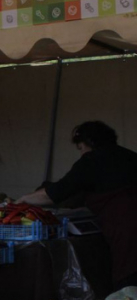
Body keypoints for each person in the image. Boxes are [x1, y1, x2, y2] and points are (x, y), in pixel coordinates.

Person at [17, 121, 137, 289]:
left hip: (128, 230)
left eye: (80, 148)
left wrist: (23, 199)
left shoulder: (92, 161)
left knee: (129, 281)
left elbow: (55, 194)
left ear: (90, 143)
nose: (81, 153)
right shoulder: (129, 156)